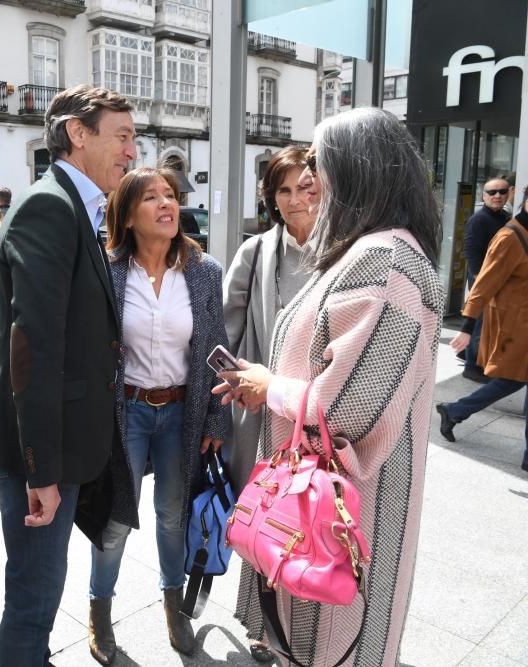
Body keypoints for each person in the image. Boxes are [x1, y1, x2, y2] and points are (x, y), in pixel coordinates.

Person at [212, 107, 443, 666]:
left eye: (318, 161)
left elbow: (348, 409)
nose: (310, 179)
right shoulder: (365, 251)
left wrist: (270, 387)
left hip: (346, 513)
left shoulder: (386, 264)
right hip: (320, 503)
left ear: (357, 167)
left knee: (333, 642)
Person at [0, 84, 136, 666]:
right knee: (35, 597)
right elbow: (32, 348)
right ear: (77, 133)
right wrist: (41, 470)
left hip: (58, 438)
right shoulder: (51, 205)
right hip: (39, 450)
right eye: (122, 136)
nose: (132, 152)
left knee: (40, 591)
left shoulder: (72, 204)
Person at [86, 167, 229, 664]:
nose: (166, 204)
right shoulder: (107, 269)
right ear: (127, 214)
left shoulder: (204, 271)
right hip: (124, 411)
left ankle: (174, 606)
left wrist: (216, 418)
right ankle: (99, 611)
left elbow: (217, 348)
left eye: (170, 194)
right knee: (116, 520)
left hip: (179, 412)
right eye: (151, 198)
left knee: (173, 515)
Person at [223, 147, 318, 662]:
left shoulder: (345, 253)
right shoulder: (257, 252)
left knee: (312, 520)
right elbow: (227, 331)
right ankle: (265, 623)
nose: (296, 199)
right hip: (260, 417)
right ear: (271, 199)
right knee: (265, 521)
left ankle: (308, 625)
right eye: (284, 190)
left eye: (306, 187)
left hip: (316, 413)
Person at [437, 185, 528, 473]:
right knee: (510, 381)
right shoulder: (509, 237)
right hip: (515, 329)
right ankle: (454, 410)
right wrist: (466, 327)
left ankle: (454, 411)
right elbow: (483, 285)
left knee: (512, 382)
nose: (499, 196)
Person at [461, 176, 511, 382]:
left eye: (502, 192)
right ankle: (472, 367)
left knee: (487, 325)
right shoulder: (479, 220)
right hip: (483, 281)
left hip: (499, 282)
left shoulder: (506, 217)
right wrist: (479, 280)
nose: (497, 196)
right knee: (479, 324)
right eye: (492, 192)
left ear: (509, 194)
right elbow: (470, 252)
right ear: (484, 195)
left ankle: (479, 362)